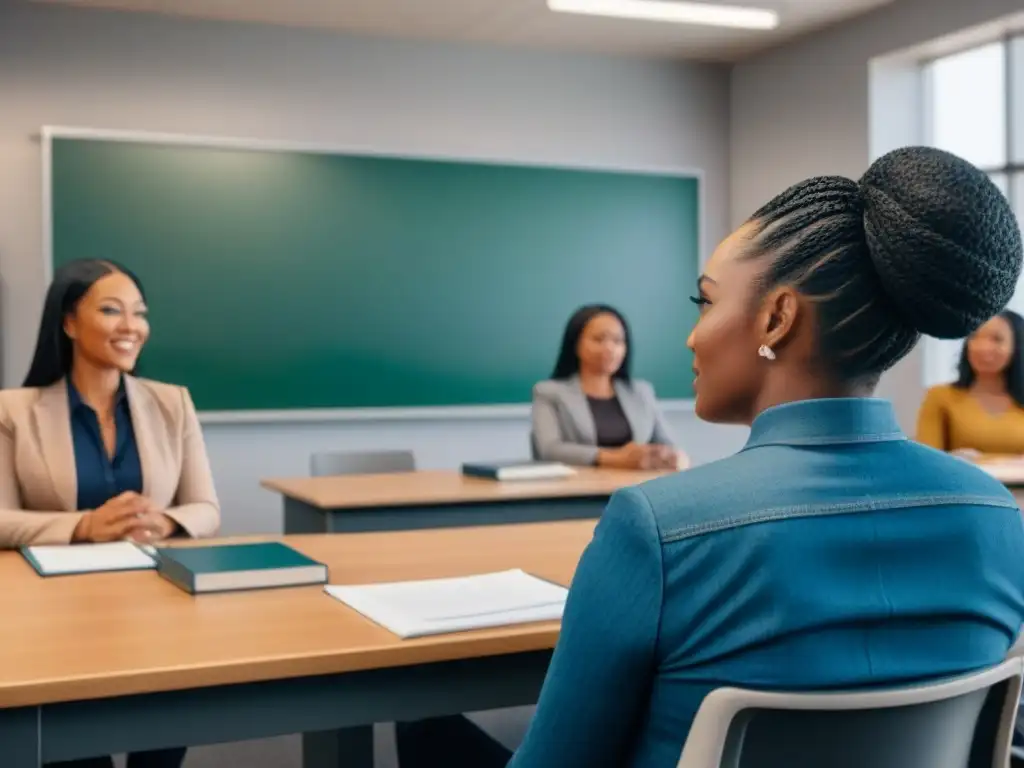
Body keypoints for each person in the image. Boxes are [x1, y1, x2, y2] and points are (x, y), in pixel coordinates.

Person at [403, 146, 1024, 767]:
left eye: (705, 302)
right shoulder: (996, 517)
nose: (691, 336)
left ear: (778, 318)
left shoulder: (656, 528)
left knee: (422, 725)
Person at [0, 259, 220, 768]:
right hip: (52, 614)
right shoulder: (13, 410)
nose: (131, 326)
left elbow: (207, 509)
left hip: (154, 604)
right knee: (72, 748)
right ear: (69, 323)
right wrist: (83, 525)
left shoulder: (173, 403)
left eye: (139, 313)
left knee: (163, 736)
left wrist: (165, 521)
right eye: (111, 310)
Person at [531, 304, 685, 469]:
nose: (610, 348)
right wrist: (615, 458)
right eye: (599, 339)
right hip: (580, 488)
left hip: (636, 486)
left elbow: (667, 443)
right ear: (575, 344)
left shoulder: (641, 391)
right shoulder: (548, 392)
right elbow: (549, 449)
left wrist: (669, 455)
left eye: (618, 341)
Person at [915, 309, 1024, 456]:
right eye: (974, 337)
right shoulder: (940, 396)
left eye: (997, 339)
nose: (983, 347)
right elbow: (927, 460)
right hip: (960, 479)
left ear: (1018, 346)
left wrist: (980, 460)